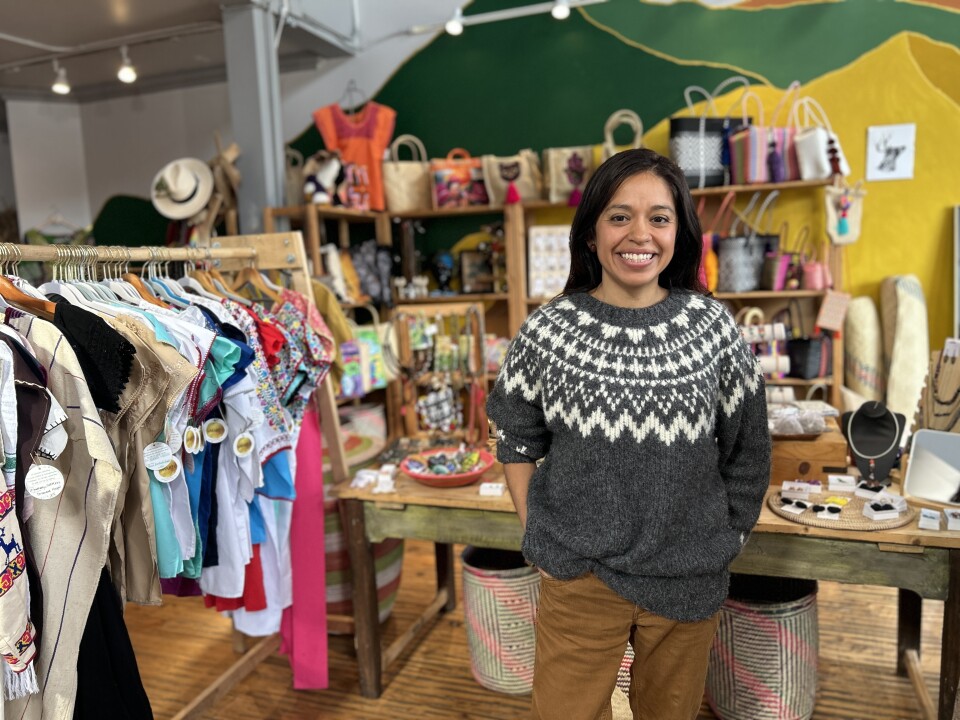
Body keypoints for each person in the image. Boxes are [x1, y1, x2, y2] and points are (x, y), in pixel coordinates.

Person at [486, 148, 771, 720]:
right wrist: (536, 531)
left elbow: (748, 450)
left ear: (679, 231)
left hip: (688, 576)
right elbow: (515, 436)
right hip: (578, 578)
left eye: (659, 218)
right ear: (591, 233)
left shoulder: (713, 329)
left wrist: (728, 538)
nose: (639, 233)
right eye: (619, 216)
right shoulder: (549, 330)